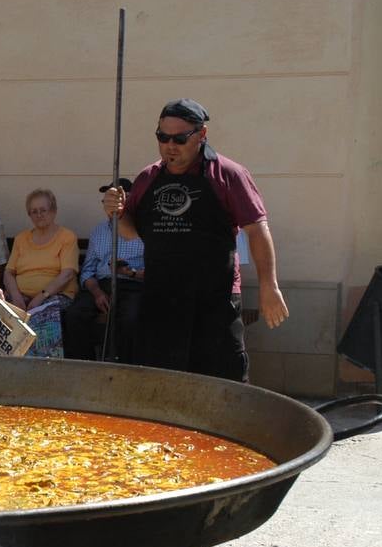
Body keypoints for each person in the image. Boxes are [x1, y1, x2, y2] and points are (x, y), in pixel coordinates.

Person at [102, 99, 288, 382]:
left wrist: (269, 286)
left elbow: (257, 230)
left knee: (223, 387)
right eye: (163, 137)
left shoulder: (228, 175)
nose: (170, 146)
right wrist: (116, 213)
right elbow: (130, 231)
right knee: (161, 389)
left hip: (214, 301)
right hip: (161, 301)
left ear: (202, 135)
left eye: (179, 138)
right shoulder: (148, 177)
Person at [63, 179, 147, 362]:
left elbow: (155, 272)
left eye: (117, 200)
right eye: (107, 200)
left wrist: (129, 272)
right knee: (74, 315)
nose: (111, 205)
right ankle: (85, 367)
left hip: (134, 285)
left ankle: (127, 370)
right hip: (102, 285)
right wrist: (97, 292)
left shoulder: (144, 230)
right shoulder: (98, 231)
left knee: (131, 319)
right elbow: (87, 271)